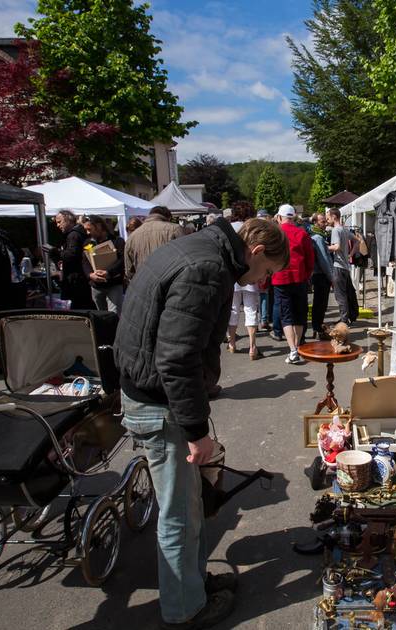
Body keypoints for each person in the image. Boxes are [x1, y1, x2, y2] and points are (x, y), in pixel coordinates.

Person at [115, 217, 287, 630]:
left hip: (152, 395)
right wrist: (195, 431)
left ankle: (193, 584)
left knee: (189, 507)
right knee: (178, 514)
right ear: (256, 252)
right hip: (159, 404)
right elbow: (176, 359)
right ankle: (184, 608)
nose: (262, 283)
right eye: (265, 273)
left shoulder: (199, 249)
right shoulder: (207, 267)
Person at [273, 205, 314, 365]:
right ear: (294, 217)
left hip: (281, 278)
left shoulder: (276, 233)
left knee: (287, 315)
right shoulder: (302, 233)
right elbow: (310, 258)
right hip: (299, 278)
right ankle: (296, 348)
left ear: (279, 217)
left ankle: (293, 350)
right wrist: (307, 274)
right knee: (299, 314)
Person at [226, 207, 264, 359]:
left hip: (233, 275)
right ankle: (252, 347)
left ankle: (232, 343)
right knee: (250, 309)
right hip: (250, 273)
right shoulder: (253, 229)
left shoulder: (229, 228)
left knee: (233, 309)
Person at [125, 206, 186, 282]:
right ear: (168, 217)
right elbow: (187, 259)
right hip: (171, 284)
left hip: (144, 285)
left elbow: (129, 272)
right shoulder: (175, 229)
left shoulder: (131, 237)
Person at [82, 216, 125, 315]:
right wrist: (90, 275)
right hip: (96, 286)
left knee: (114, 315)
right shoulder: (88, 243)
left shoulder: (117, 241)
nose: (88, 233)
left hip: (113, 284)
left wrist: (108, 272)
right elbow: (85, 262)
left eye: (90, 229)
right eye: (86, 230)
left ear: (99, 226)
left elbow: (122, 261)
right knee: (100, 316)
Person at [52, 210, 91, 309]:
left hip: (76, 281)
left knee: (78, 308)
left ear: (68, 220)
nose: (57, 225)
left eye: (59, 222)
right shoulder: (79, 233)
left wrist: (56, 252)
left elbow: (71, 255)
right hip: (81, 278)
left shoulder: (73, 235)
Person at [326, 209, 358, 325]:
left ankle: (344, 320)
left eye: (328, 217)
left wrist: (325, 247)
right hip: (345, 267)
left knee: (340, 295)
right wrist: (350, 254)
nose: (327, 219)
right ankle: (347, 317)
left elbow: (337, 247)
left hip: (338, 266)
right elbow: (357, 241)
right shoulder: (344, 230)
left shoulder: (336, 230)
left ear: (334, 217)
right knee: (346, 292)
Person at [308, 212, 335, 342]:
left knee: (320, 303)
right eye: (322, 221)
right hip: (321, 275)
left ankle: (317, 327)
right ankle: (317, 328)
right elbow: (324, 259)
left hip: (319, 274)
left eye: (325, 221)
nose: (325, 223)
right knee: (320, 304)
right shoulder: (318, 237)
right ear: (315, 222)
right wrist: (331, 276)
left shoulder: (318, 235)